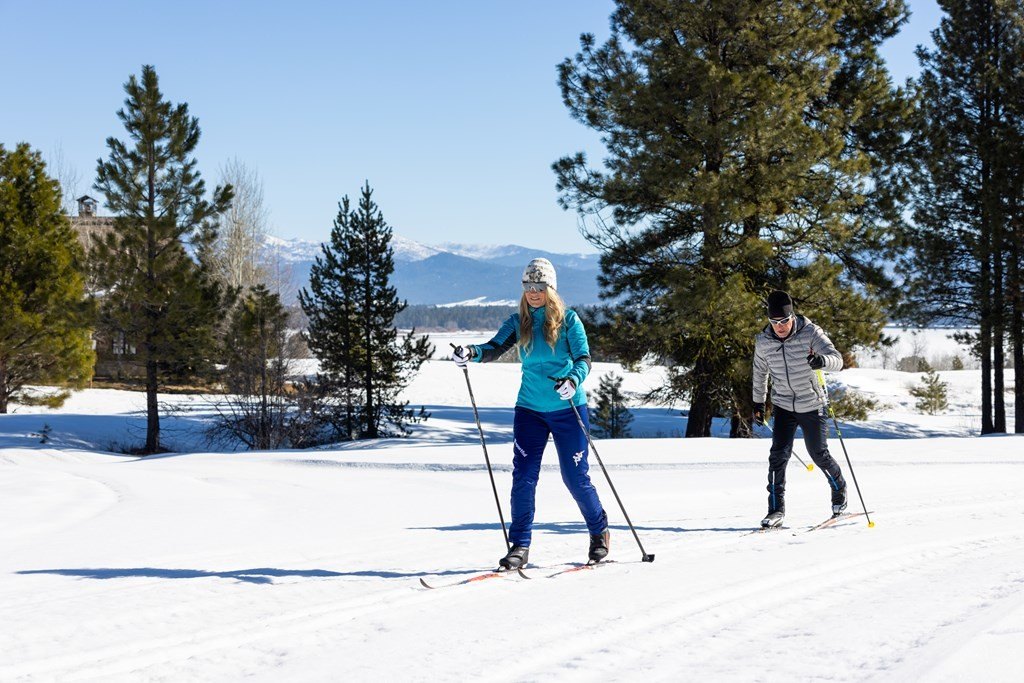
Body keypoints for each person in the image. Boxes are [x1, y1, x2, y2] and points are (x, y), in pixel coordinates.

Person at [452, 258, 609, 569]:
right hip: (530, 410)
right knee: (524, 477)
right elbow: (494, 348)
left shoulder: (569, 321)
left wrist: (573, 380)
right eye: (528, 286)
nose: (533, 292)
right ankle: (520, 545)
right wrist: (470, 352)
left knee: (575, 478)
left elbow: (584, 358)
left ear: (551, 289)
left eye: (540, 286)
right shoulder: (517, 321)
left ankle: (599, 532)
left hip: (567, 407)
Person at [752, 290, 847, 528]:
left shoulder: (811, 333)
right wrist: (758, 403)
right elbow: (760, 373)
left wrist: (823, 361)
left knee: (818, 454)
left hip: (812, 404)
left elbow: (838, 359)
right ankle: (775, 510)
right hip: (783, 405)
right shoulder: (763, 341)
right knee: (778, 457)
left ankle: (839, 487)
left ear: (792, 316)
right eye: (774, 322)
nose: (780, 327)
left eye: (784, 321)